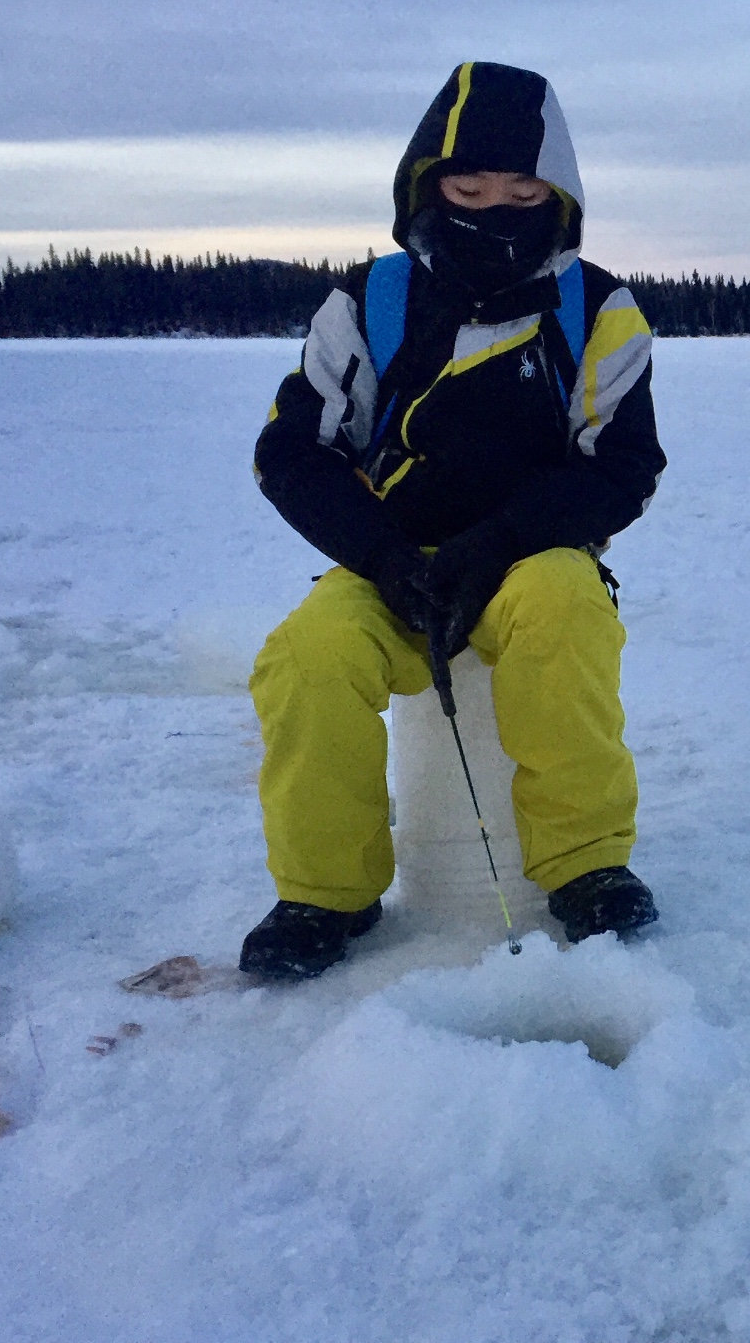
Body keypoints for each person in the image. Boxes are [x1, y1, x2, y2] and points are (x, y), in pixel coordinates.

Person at [240, 61, 666, 981]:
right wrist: (386, 560)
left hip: (532, 561)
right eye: (469, 187)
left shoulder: (599, 309)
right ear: (426, 183)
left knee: (566, 612)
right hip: (392, 565)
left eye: (523, 189)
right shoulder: (368, 303)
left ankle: (589, 865)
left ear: (560, 191)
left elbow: (623, 464)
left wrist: (502, 542)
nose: (496, 207)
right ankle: (323, 891)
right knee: (308, 654)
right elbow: (295, 452)